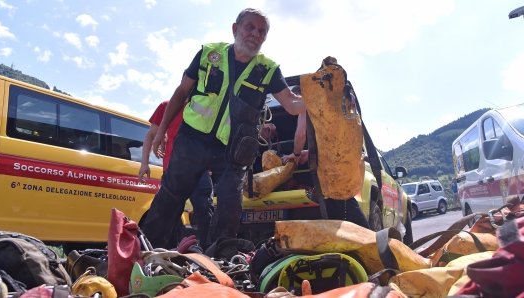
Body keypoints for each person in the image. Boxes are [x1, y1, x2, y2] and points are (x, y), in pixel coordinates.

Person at [141, 8, 306, 248]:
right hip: (192, 142)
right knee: (169, 197)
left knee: (229, 206)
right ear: (235, 29)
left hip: (233, 150)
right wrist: (162, 131)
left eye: (262, 31)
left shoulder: (268, 69)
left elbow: (292, 105)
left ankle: (220, 260)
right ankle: (146, 252)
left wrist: (324, 98)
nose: (255, 34)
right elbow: (181, 92)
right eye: (250, 27)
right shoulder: (209, 54)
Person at [284, 85, 370, 229]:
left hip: (334, 167)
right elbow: (326, 139)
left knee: (346, 206)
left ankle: (371, 242)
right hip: (339, 160)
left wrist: (297, 153)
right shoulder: (322, 108)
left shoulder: (305, 105)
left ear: (298, 95)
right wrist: (311, 153)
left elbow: (301, 134)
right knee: (338, 206)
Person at [138, 100, 214, 247]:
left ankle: (210, 251)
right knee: (169, 213)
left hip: (200, 170)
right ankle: (166, 252)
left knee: (205, 209)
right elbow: (150, 135)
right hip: (174, 170)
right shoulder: (166, 106)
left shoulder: (206, 106)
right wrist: (144, 164)